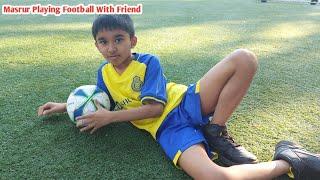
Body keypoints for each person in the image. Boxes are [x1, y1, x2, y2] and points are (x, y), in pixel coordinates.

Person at [38, 15, 320, 179]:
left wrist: (110, 118)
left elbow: (153, 109)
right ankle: (290, 160)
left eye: (119, 39)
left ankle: (215, 129)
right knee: (212, 177)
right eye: (103, 41)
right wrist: (64, 106)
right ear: (97, 46)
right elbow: (102, 98)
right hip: (168, 129)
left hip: (187, 101)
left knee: (244, 58)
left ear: (132, 41)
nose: (112, 47)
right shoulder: (104, 73)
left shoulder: (148, 62)